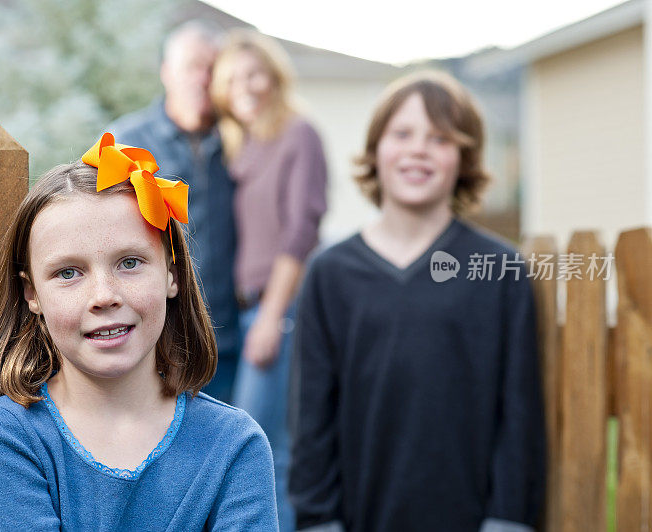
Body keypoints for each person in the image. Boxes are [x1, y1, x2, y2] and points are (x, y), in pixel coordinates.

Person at [0, 134, 278, 530]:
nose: (104, 296)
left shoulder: (234, 445)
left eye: (129, 263)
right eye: (68, 273)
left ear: (171, 275)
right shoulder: (5, 437)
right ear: (31, 294)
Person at [289, 71, 545, 532]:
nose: (418, 149)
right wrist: (317, 518)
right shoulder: (330, 274)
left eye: (440, 138)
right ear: (376, 149)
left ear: (464, 158)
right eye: (402, 133)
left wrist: (508, 519)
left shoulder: (499, 269)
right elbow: (311, 417)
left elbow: (520, 413)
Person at [211, 29, 328, 532]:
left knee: (263, 445)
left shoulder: (297, 134)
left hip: (280, 308)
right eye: (234, 77)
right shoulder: (243, 146)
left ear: (275, 77)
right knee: (253, 441)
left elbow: (301, 231)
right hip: (244, 310)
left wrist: (272, 317)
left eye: (255, 73)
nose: (246, 85)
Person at [106, 21, 240, 404]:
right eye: (191, 67)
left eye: (212, 69)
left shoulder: (238, 142)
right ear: (166, 72)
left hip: (229, 339)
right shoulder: (128, 141)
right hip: (159, 340)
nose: (202, 79)